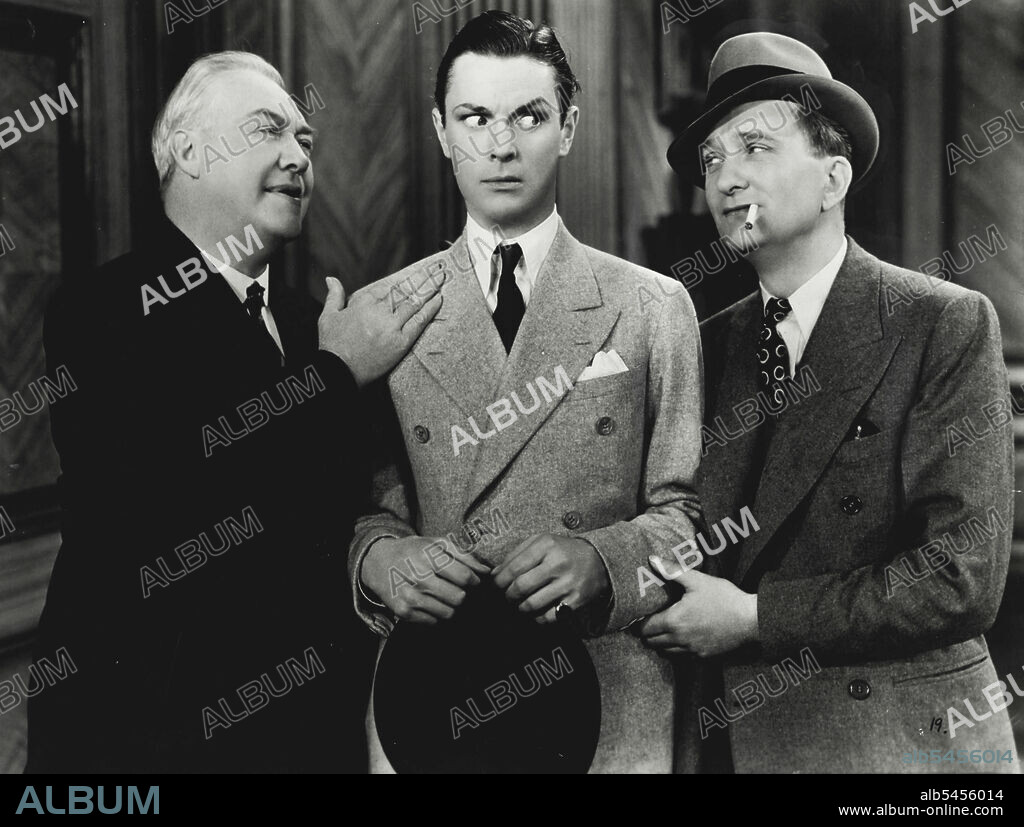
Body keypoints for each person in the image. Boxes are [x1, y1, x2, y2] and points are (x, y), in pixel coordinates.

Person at [28, 51, 442, 773]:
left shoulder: (314, 321)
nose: (296, 158)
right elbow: (172, 503)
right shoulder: (103, 311)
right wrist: (336, 372)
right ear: (187, 150)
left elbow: (344, 506)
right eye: (267, 130)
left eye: (304, 141)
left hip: (308, 733)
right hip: (153, 743)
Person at [641, 32, 1016, 774]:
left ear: (833, 178)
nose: (724, 178)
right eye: (712, 160)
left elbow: (960, 578)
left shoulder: (942, 320)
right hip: (733, 741)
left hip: (897, 751)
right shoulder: (702, 340)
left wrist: (754, 618)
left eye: (755, 146)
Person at [348, 11, 704, 773]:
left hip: (608, 702)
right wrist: (382, 559)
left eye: (529, 117)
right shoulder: (382, 313)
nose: (501, 146)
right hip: (434, 703)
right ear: (441, 130)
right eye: (475, 118)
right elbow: (364, 511)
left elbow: (690, 516)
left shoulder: (652, 304)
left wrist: (604, 559)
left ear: (569, 127)